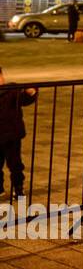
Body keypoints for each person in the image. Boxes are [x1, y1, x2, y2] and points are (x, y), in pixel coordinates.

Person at [0, 66, 36, 198]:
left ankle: (18, 187)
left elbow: (24, 100)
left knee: (15, 163)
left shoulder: (11, 90)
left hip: (12, 135)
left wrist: (30, 93)